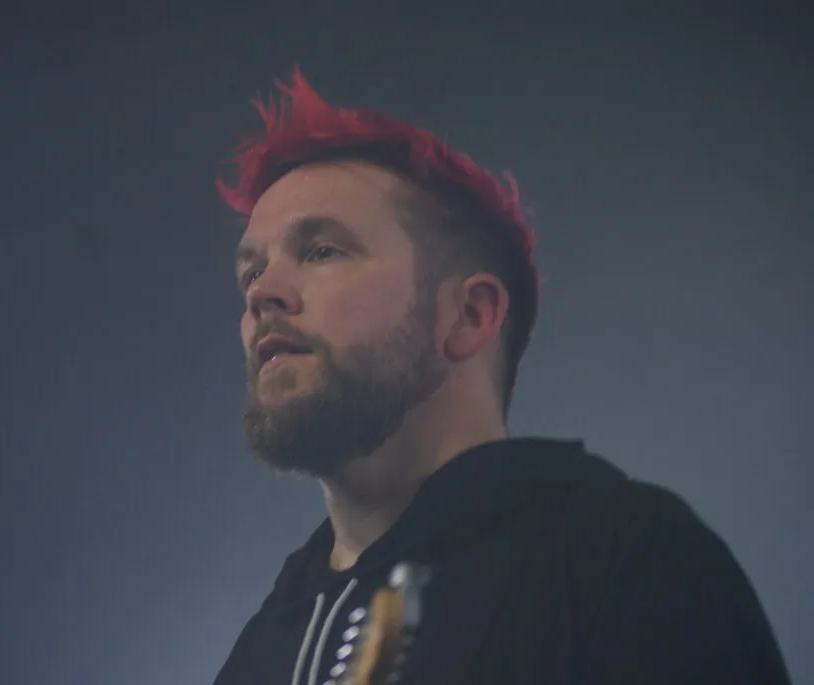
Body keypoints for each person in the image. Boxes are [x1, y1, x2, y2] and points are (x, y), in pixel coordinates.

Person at [211, 67, 792, 685]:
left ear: (470, 314)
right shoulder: (263, 646)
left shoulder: (625, 559)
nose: (262, 294)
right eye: (251, 272)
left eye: (322, 251)